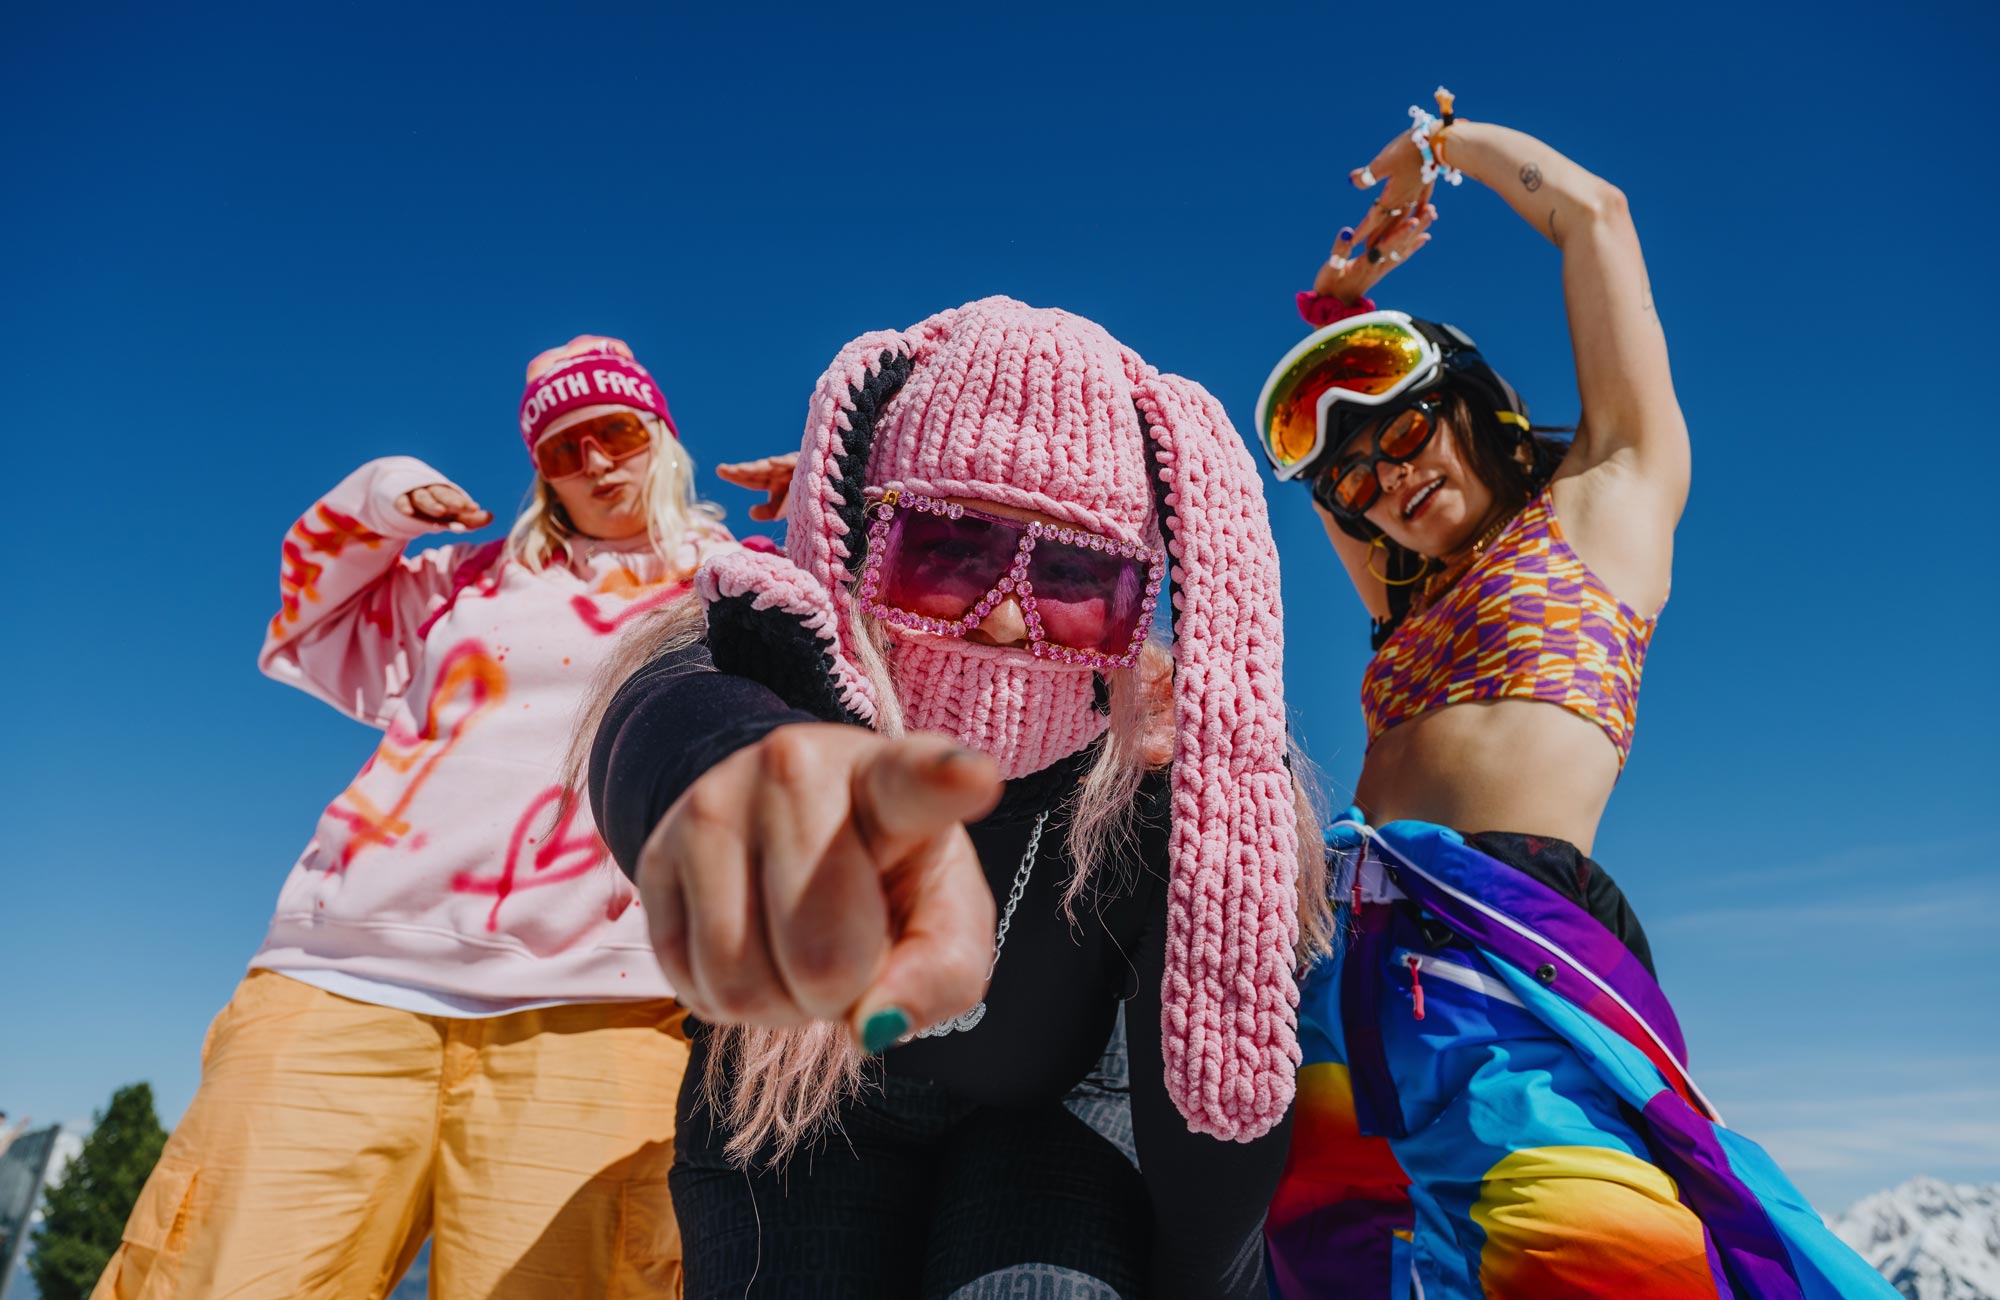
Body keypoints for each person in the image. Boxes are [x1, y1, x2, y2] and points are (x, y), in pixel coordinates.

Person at [1252, 95, 1898, 1298]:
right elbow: (1334, 448)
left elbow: (1595, 217)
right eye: (1356, 483)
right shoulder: (1404, 600)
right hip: (1340, 957)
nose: (1386, 482)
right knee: (1336, 1263)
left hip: (1496, 946)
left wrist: (1439, 147)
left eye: (1406, 435)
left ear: (1471, 403)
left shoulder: (1603, 507)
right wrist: (1336, 309)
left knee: (1581, 1245)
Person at [583, 297, 1328, 1299]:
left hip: (1057, 1114)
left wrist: (1197, 1284)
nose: (1010, 621)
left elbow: (1213, 1090)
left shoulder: (1178, 778)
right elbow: (667, 723)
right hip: (791, 1116)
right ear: (870, 541)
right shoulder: (776, 648)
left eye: (1072, 575)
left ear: (1136, 597)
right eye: (952, 550)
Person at [94, 337, 737, 1300]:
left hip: (607, 998)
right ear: (543, 476)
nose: (597, 462)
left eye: (617, 432)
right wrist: (377, 500)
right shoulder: (463, 582)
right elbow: (315, 619)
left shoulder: (744, 582)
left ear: (663, 436)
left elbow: (892, 661)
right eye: (564, 449)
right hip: (346, 976)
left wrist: (845, 503)